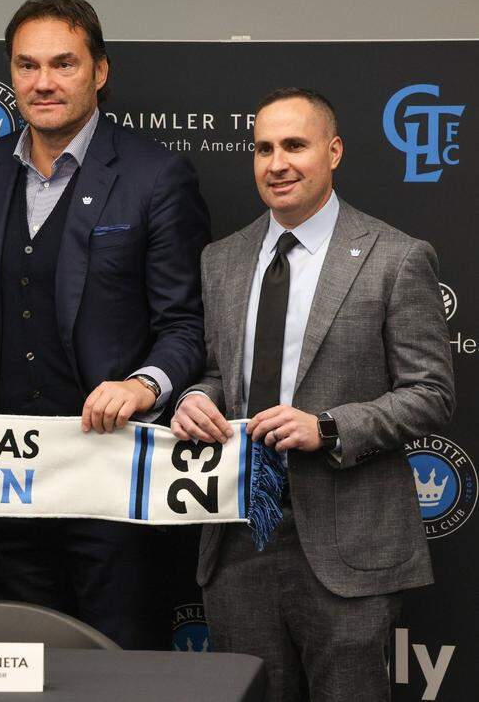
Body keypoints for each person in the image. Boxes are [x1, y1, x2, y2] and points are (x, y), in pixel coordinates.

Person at [171, 88, 454, 701]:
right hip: (239, 537)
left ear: (334, 151)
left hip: (347, 545)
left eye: (294, 145)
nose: (277, 163)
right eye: (263, 149)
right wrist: (196, 398)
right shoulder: (222, 260)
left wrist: (327, 427)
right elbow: (223, 375)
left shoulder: (395, 258)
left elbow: (430, 392)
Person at [0, 0, 210, 649]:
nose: (44, 82)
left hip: (112, 479)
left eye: (64, 64)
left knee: (119, 666)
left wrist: (144, 385)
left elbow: (186, 323)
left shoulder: (157, 175)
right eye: (28, 65)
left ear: (99, 71)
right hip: (7, 480)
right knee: (12, 666)